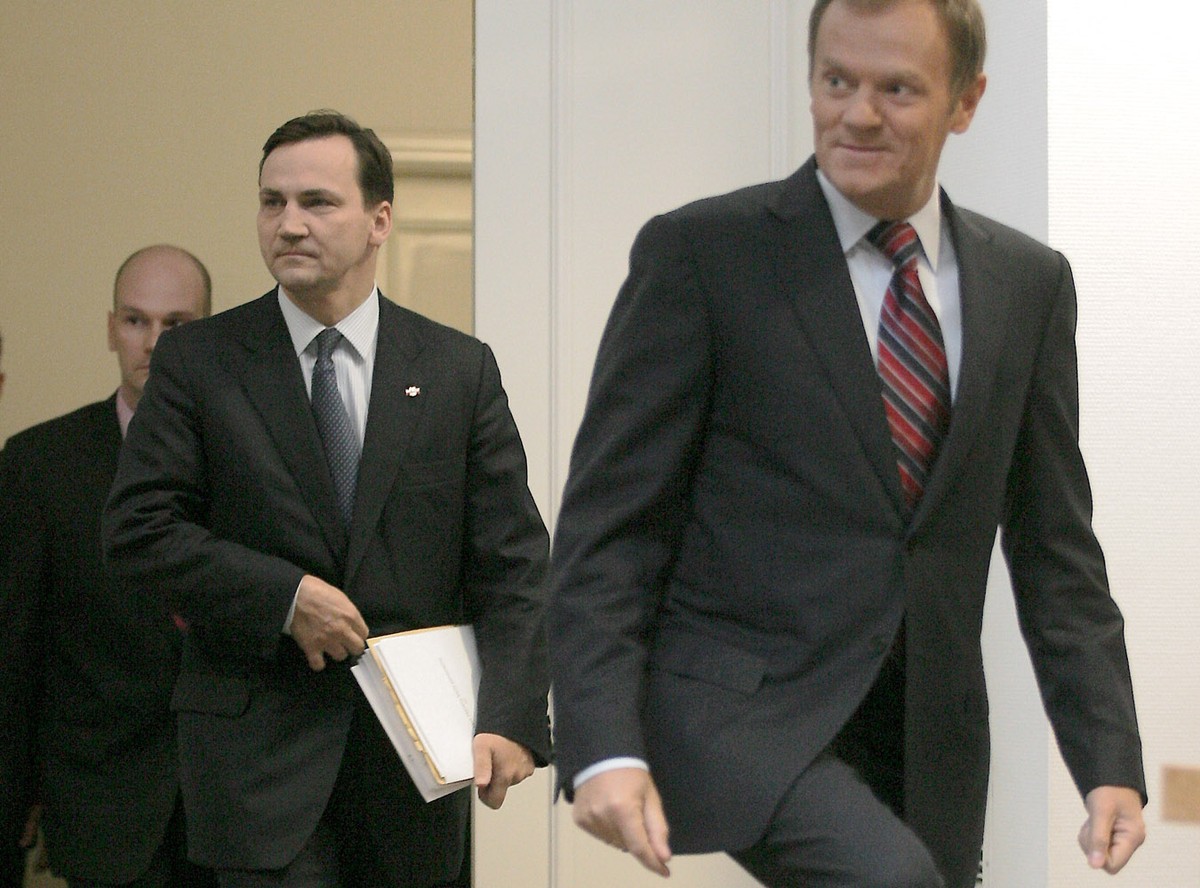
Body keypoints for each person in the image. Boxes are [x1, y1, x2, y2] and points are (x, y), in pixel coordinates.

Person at [546, 1, 1147, 886]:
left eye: (897, 89)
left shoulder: (1030, 285)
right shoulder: (703, 254)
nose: (857, 115)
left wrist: (1108, 760)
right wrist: (601, 742)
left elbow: (1056, 546)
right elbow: (610, 529)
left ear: (966, 101)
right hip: (741, 713)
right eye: (837, 82)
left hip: (930, 735)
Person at [102, 110, 551, 887]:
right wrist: (285, 598)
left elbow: (513, 563)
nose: (289, 224)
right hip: (258, 765)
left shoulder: (456, 370)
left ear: (380, 220)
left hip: (413, 771)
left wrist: (511, 716)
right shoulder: (199, 362)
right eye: (271, 202)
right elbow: (138, 530)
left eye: (317, 202)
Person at [0, 246, 214, 888]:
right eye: (135, 320)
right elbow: (16, 648)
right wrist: (15, 797)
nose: (153, 342)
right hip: (99, 801)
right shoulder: (41, 463)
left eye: (176, 323)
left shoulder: (256, 456)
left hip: (235, 806)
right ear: (111, 328)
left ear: (207, 333)